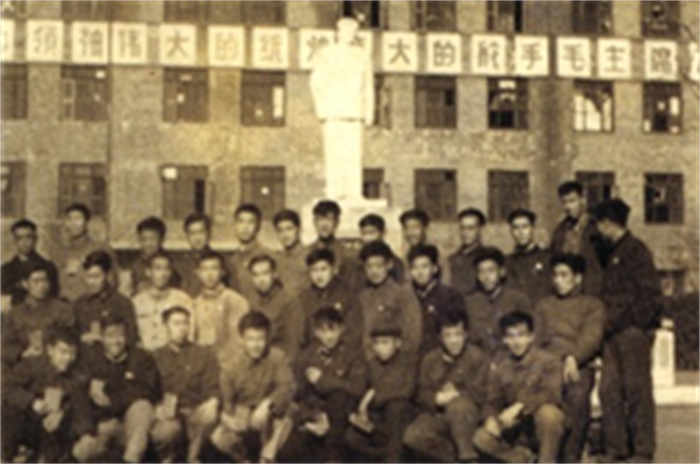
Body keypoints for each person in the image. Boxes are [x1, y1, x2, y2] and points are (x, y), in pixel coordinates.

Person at [594, 199, 661, 464]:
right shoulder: (610, 253)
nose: (597, 230)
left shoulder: (637, 251)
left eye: (599, 224)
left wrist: (634, 325)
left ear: (607, 224)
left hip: (631, 333)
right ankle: (616, 448)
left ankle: (643, 451)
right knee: (609, 389)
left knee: (636, 391)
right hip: (611, 334)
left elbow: (650, 296)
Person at [534, 253, 605, 464]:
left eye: (564, 275)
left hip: (578, 365)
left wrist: (574, 356)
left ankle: (571, 456)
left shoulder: (592, 305)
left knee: (577, 396)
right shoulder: (544, 305)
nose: (558, 280)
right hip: (548, 364)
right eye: (555, 275)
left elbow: (592, 336)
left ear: (578, 278)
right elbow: (536, 338)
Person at [473, 311, 565, 464]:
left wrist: (520, 406)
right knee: (481, 438)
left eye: (521, 335)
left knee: (549, 414)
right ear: (504, 340)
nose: (516, 342)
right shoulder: (500, 366)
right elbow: (492, 400)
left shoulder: (548, 361)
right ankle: (525, 459)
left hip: (541, 424)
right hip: (517, 426)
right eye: (511, 336)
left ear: (531, 337)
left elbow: (551, 393)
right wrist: (491, 418)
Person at [279, 308, 366, 464]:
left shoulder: (353, 354)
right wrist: (313, 417)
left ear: (342, 329)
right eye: (323, 331)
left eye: (334, 330)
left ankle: (333, 459)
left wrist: (322, 380)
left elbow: (357, 388)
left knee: (339, 396)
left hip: (342, 418)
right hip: (315, 415)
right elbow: (299, 394)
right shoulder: (307, 356)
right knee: (288, 454)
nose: (329, 336)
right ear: (316, 332)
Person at [72, 314, 161, 464]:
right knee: (82, 450)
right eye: (110, 336)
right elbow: (79, 394)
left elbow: (147, 389)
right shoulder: (91, 360)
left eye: (120, 335)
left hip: (130, 425)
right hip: (101, 424)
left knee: (143, 406)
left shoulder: (141, 357)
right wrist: (85, 431)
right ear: (102, 338)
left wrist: (113, 400)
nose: (116, 341)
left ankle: (131, 459)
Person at [404, 309, 488, 464]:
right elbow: (421, 392)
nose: (454, 341)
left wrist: (456, 394)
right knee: (412, 436)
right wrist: (435, 398)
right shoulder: (430, 360)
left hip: (468, 416)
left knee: (458, 407)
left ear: (466, 334)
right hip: (439, 414)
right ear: (440, 338)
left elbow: (481, 390)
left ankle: (468, 456)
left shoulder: (477, 357)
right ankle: (458, 459)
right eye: (448, 336)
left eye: (458, 334)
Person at [212, 312, 296, 464]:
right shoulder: (230, 365)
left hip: (272, 415)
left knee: (286, 414)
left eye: (260, 339)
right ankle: (244, 460)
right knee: (219, 437)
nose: (256, 345)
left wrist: (268, 403)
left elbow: (288, 386)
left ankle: (267, 457)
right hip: (244, 414)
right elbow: (227, 403)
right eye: (250, 339)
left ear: (267, 338)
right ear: (241, 339)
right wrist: (229, 419)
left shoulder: (277, 357)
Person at [1, 327, 91, 464]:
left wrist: (62, 412)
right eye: (63, 352)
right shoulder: (32, 366)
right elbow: (7, 387)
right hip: (28, 421)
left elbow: (80, 405)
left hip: (55, 430)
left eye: (72, 353)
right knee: (9, 413)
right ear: (50, 350)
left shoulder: (78, 374)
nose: (68, 358)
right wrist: (32, 402)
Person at [151, 307, 220, 464]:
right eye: (176, 323)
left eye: (185, 323)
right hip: (169, 413)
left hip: (195, 409)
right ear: (165, 326)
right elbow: (149, 389)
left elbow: (213, 385)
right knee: (166, 431)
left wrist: (213, 401)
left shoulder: (204, 354)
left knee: (207, 418)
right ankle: (167, 459)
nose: (182, 328)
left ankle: (193, 459)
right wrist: (156, 407)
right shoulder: (155, 357)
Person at [344, 321, 417, 464]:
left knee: (396, 407)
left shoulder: (408, 362)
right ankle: (386, 455)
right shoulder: (372, 364)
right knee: (352, 438)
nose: (380, 348)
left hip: (401, 417)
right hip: (376, 419)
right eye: (376, 343)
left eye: (385, 343)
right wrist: (355, 413)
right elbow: (358, 389)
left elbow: (406, 390)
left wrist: (374, 395)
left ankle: (393, 459)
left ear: (397, 343)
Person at [1, 263, 75, 366]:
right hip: (26, 366)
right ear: (25, 284)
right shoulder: (14, 314)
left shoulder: (62, 310)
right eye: (36, 281)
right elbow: (4, 345)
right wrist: (21, 354)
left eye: (45, 280)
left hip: (57, 366)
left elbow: (72, 339)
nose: (41, 286)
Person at [358, 241, 422, 358]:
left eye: (379, 266)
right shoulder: (363, 297)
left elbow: (412, 336)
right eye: (369, 266)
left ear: (389, 265)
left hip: (395, 362)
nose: (374, 271)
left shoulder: (402, 294)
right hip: (365, 362)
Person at [465, 247, 531, 354]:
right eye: (481, 272)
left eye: (491, 271)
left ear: (502, 272)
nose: (486, 277)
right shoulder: (469, 303)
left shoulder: (517, 300)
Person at [407, 244, 466, 355]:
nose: (419, 272)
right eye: (415, 267)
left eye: (424, 266)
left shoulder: (449, 296)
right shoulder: (405, 297)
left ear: (434, 268)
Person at [52, 203, 118, 302]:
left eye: (78, 219)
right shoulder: (59, 251)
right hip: (64, 305)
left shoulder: (100, 248)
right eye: (69, 219)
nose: (73, 223)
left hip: (92, 304)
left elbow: (113, 280)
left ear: (86, 222)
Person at [298, 248, 362, 348]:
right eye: (314, 270)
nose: (319, 275)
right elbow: (301, 334)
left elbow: (354, 331)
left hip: (343, 351)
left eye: (323, 269)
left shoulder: (347, 294)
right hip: (313, 352)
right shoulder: (304, 299)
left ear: (333, 269)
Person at [73, 250, 138, 348]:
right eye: (88, 277)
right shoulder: (78, 305)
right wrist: (82, 338)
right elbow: (70, 338)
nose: (92, 281)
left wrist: (108, 339)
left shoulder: (122, 303)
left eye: (96, 276)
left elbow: (131, 337)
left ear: (107, 275)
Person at [551, 181, 604, 296]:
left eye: (572, 201)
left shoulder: (597, 228)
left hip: (592, 291)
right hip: (566, 293)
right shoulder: (560, 232)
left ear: (582, 200)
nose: (568, 207)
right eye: (564, 202)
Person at [247, 255, 305, 360]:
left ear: (275, 274)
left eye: (265, 273)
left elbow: (293, 343)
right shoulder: (252, 301)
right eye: (256, 275)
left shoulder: (289, 301)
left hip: (280, 361)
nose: (261, 280)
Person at [132, 251, 193, 351]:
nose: (163, 274)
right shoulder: (137, 302)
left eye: (166, 269)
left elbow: (190, 334)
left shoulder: (183, 300)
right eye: (158, 269)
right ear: (148, 272)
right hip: (145, 355)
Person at [191, 251, 249, 350]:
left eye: (214, 268)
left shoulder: (235, 301)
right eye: (204, 269)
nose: (209, 274)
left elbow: (238, 340)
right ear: (198, 273)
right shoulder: (195, 303)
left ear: (222, 272)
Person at [0, 218, 59, 306]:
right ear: (14, 241)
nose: (24, 242)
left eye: (28, 237)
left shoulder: (48, 267)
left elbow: (54, 297)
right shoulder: (5, 270)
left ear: (35, 239)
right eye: (19, 238)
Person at [173, 213, 229, 298]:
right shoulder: (179, 265)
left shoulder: (221, 261)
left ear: (209, 233)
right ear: (187, 236)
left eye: (201, 232)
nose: (197, 238)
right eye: (192, 233)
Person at [310, 200, 362, 290]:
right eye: (320, 219)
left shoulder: (347, 254)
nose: (324, 224)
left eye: (329, 219)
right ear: (314, 222)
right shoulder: (307, 252)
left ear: (337, 222)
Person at [505, 209, 552, 306]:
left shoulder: (548, 259)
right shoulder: (507, 262)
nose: (521, 232)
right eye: (516, 228)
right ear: (511, 231)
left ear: (533, 228)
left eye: (525, 227)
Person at [230, 204, 273, 301]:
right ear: (235, 226)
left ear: (258, 227)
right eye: (241, 221)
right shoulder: (231, 261)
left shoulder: (268, 256)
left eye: (250, 222)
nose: (245, 227)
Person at [130, 216, 179, 297]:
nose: (148, 244)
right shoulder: (137, 264)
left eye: (152, 239)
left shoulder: (171, 263)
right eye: (144, 239)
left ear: (161, 239)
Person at [399, 209, 450, 285]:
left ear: (425, 228)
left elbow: (446, 281)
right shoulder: (406, 253)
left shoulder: (437, 252)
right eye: (406, 228)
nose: (410, 233)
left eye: (415, 227)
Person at [448, 208, 486, 297]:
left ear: (480, 229)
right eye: (462, 228)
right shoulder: (451, 260)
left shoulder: (487, 257)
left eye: (471, 228)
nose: (465, 233)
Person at [358, 214, 405, 284]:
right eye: (364, 233)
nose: (368, 238)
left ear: (382, 233)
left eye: (371, 232)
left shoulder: (395, 262)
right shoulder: (352, 262)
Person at [273, 209, 310, 295]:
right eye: (280, 230)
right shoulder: (276, 259)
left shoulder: (310, 257)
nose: (285, 235)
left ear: (298, 229)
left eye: (289, 229)